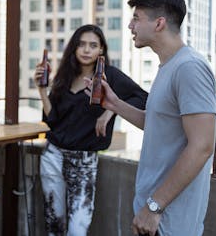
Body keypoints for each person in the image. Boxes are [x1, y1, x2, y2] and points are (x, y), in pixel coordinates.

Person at [95, 0, 216, 236]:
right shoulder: (168, 67)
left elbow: (202, 146)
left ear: (159, 23)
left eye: (137, 18)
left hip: (170, 219)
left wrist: (154, 206)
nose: (130, 25)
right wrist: (115, 104)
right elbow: (159, 124)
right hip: (154, 214)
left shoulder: (190, 67)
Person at [33, 24, 148, 236]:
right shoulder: (65, 76)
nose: (86, 50)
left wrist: (109, 112)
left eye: (93, 45)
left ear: (102, 50)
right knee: (53, 223)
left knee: (78, 228)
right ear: (74, 48)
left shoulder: (109, 76)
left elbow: (142, 98)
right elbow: (53, 119)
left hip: (84, 160)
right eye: (82, 44)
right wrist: (42, 90)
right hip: (53, 155)